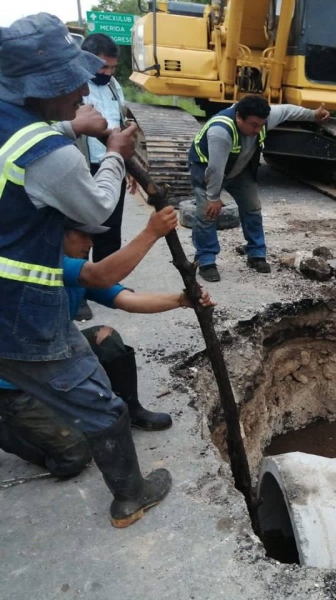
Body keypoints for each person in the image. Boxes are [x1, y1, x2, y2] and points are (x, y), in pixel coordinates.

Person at [0, 13, 169, 528]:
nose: (82, 91)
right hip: (21, 316)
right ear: (45, 86)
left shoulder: (17, 123)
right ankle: (130, 497)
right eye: (72, 84)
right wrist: (115, 155)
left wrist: (72, 124)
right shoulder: (49, 155)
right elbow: (96, 209)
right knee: (102, 409)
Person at [0, 214, 214, 477]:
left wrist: (182, 299)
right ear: (57, 235)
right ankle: (8, 431)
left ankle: (129, 411)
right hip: (15, 386)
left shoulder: (76, 270)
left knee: (107, 339)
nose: (90, 243)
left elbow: (127, 300)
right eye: (83, 235)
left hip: (52, 357)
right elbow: (102, 275)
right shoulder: (47, 265)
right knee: (75, 456)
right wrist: (151, 232)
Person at [188, 95, 331, 282]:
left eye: (261, 125)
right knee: (207, 214)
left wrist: (313, 115)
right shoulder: (220, 132)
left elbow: (287, 110)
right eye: (253, 125)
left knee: (252, 209)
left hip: (239, 170)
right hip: (208, 170)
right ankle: (206, 261)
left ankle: (256, 254)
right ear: (239, 117)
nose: (257, 130)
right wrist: (213, 197)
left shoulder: (263, 118)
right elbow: (215, 168)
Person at [75, 33, 134, 321]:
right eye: (102, 67)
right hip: (83, 168)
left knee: (110, 228)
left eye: (111, 68)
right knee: (79, 230)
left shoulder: (113, 87)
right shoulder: (72, 87)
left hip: (113, 165)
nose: (107, 73)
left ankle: (105, 282)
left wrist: (128, 165)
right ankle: (77, 291)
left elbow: (122, 123)